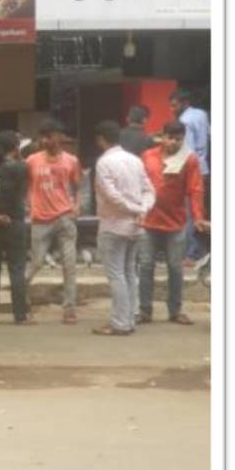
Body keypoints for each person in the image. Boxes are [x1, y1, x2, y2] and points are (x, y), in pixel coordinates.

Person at [138, 121, 208, 325]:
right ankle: (144, 311)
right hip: (147, 220)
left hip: (175, 222)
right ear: (162, 136)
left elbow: (195, 190)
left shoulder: (189, 159)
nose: (173, 143)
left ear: (183, 139)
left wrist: (198, 217)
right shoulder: (147, 156)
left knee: (176, 268)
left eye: (178, 139)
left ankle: (176, 310)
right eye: (170, 138)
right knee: (145, 266)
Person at [92, 120, 156, 336]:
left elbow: (112, 196)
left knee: (118, 274)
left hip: (114, 225)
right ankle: (129, 318)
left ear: (101, 140)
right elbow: (149, 190)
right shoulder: (135, 160)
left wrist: (135, 209)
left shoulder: (104, 163)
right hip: (136, 225)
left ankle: (121, 322)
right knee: (129, 272)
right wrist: (142, 209)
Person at [25, 119, 82, 324]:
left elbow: (78, 186)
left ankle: (69, 309)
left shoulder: (71, 161)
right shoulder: (31, 160)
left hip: (64, 218)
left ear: (59, 137)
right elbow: (24, 185)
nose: (47, 140)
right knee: (37, 262)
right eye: (44, 136)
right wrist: (28, 205)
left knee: (69, 265)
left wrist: (76, 206)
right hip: (40, 219)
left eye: (50, 135)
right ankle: (21, 301)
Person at [0, 131, 31, 324]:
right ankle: (20, 315)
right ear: (16, 148)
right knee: (17, 269)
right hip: (15, 222)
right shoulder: (23, 168)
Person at [169, 89, 210, 262]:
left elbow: (187, 150)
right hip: (204, 167)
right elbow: (209, 135)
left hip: (191, 170)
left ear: (184, 103)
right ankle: (200, 250)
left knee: (189, 212)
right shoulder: (201, 114)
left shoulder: (184, 121)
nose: (172, 109)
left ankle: (192, 253)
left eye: (174, 105)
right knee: (199, 210)